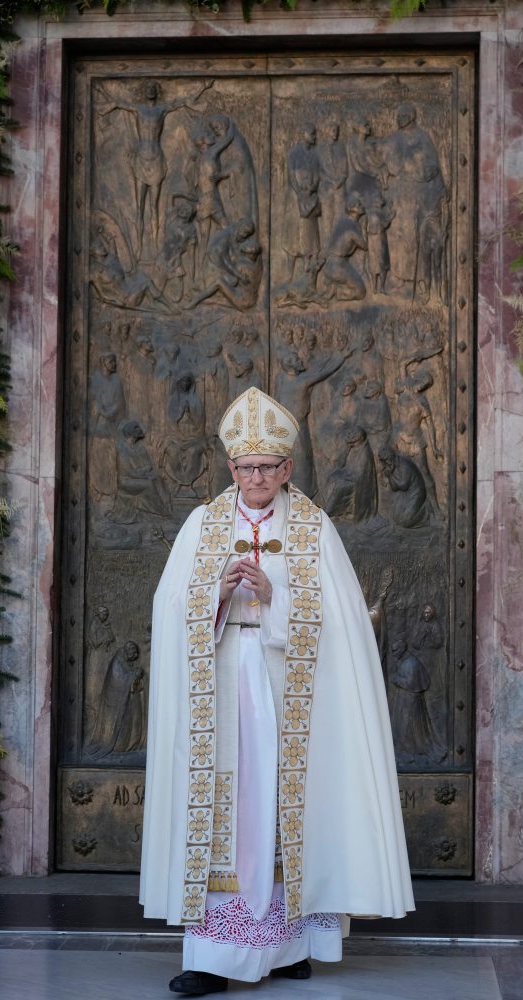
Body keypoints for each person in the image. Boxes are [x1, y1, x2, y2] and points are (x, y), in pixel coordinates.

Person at [139, 387, 414, 996]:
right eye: (245, 467)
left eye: (266, 467)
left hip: (291, 695)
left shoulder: (315, 528)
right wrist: (214, 595)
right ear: (230, 467)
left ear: (287, 468)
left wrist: (274, 598)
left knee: (285, 809)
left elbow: (346, 624)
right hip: (221, 685)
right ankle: (214, 958)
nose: (255, 477)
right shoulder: (202, 523)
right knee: (231, 816)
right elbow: (168, 608)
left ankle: (290, 946)